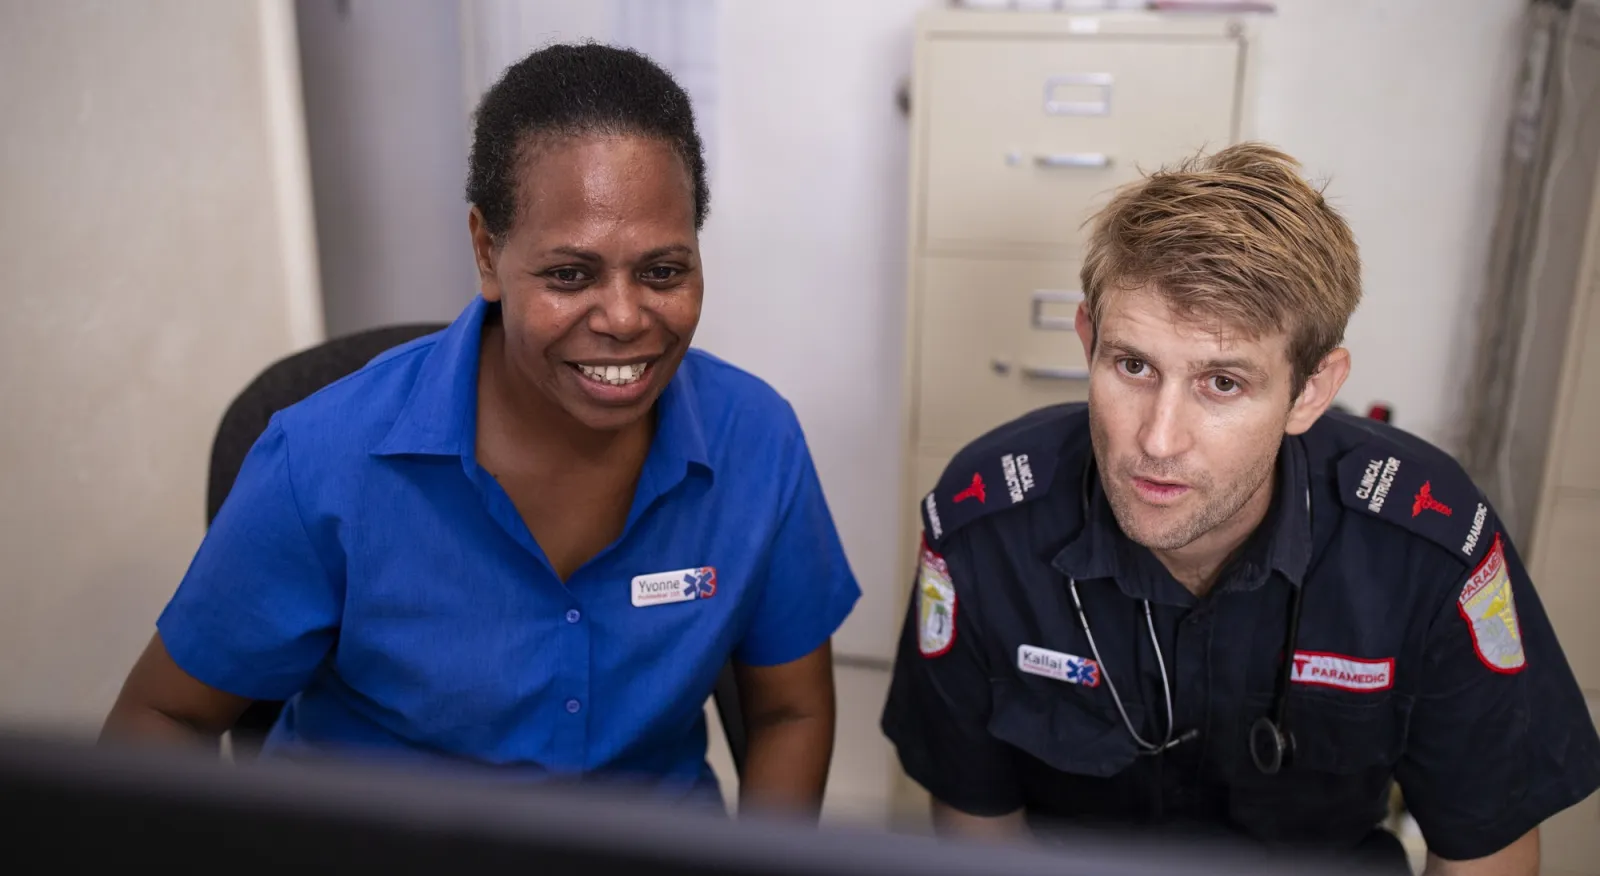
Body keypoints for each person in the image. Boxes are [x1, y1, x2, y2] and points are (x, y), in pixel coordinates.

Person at [101, 43, 860, 817]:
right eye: (570, 275)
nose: (626, 318)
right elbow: (162, 717)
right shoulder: (325, 461)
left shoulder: (757, 442)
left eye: (663, 272)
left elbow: (787, 712)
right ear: (487, 252)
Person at [880, 142, 1600, 873]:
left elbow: (1486, 849)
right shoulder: (987, 524)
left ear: (1310, 392)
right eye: (1133, 366)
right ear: (1089, 343)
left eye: (1222, 383)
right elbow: (979, 830)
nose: (1157, 441)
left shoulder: (1424, 547)